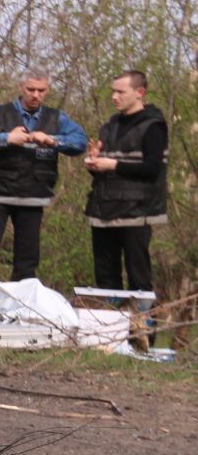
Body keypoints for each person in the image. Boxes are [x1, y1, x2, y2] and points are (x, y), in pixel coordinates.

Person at [0, 71, 87, 308]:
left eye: (41, 90)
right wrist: (6, 138)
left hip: (33, 198)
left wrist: (53, 141)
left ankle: (21, 311)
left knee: (27, 261)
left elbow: (80, 142)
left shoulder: (58, 118)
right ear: (21, 87)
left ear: (47, 90)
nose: (36, 95)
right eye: (31, 89)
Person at [84, 69, 169, 321]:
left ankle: (142, 338)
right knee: (105, 276)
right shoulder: (109, 125)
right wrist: (95, 163)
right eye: (113, 91)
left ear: (139, 93)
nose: (114, 96)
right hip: (102, 211)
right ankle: (111, 334)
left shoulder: (154, 126)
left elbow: (153, 169)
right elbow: (106, 170)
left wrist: (113, 165)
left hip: (136, 211)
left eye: (121, 91)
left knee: (138, 277)